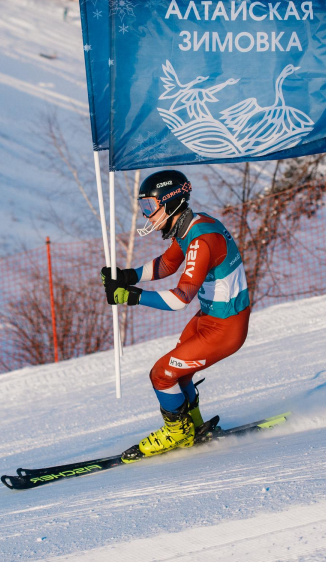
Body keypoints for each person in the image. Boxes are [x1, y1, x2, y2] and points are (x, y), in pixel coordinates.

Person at [101, 169, 251, 462]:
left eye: (149, 208)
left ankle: (177, 433)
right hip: (209, 319)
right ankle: (193, 426)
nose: (147, 216)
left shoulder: (201, 240)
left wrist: (131, 296)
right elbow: (168, 264)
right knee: (178, 373)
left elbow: (180, 299)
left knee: (161, 374)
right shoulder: (191, 226)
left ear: (170, 203)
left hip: (225, 329)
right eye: (144, 207)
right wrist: (127, 275)